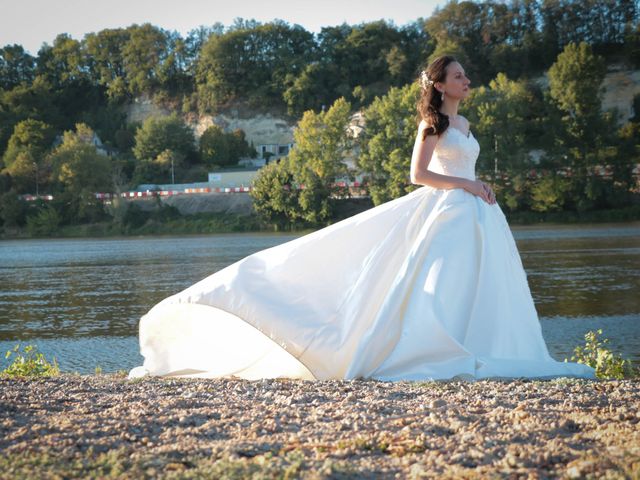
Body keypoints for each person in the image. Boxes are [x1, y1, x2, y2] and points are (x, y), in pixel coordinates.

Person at [128, 55, 596, 382]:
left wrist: (478, 187)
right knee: (435, 284)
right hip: (450, 211)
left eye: (465, 75)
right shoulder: (431, 124)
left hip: (478, 214)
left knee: (481, 286)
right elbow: (418, 174)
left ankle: (477, 346)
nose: (466, 80)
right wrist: (469, 185)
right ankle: (426, 351)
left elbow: (461, 166)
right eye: (458, 75)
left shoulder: (466, 126)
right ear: (439, 84)